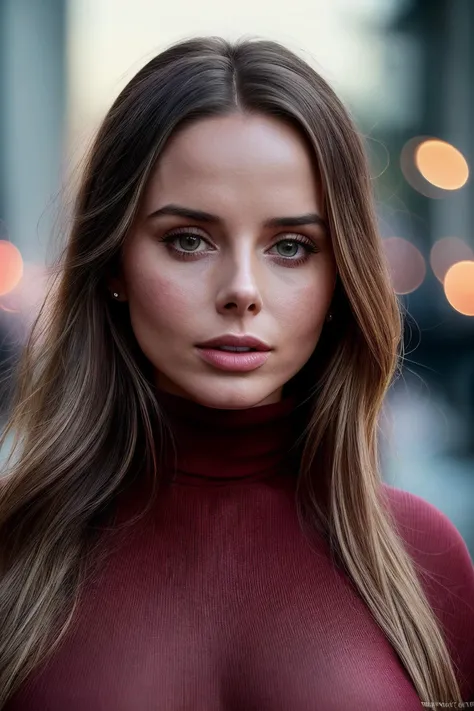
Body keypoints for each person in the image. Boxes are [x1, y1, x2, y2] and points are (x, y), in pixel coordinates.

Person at [0, 35, 472, 711]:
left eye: (290, 246)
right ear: (113, 265)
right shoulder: (13, 550)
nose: (242, 289)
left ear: (340, 278)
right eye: (188, 239)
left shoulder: (426, 561)